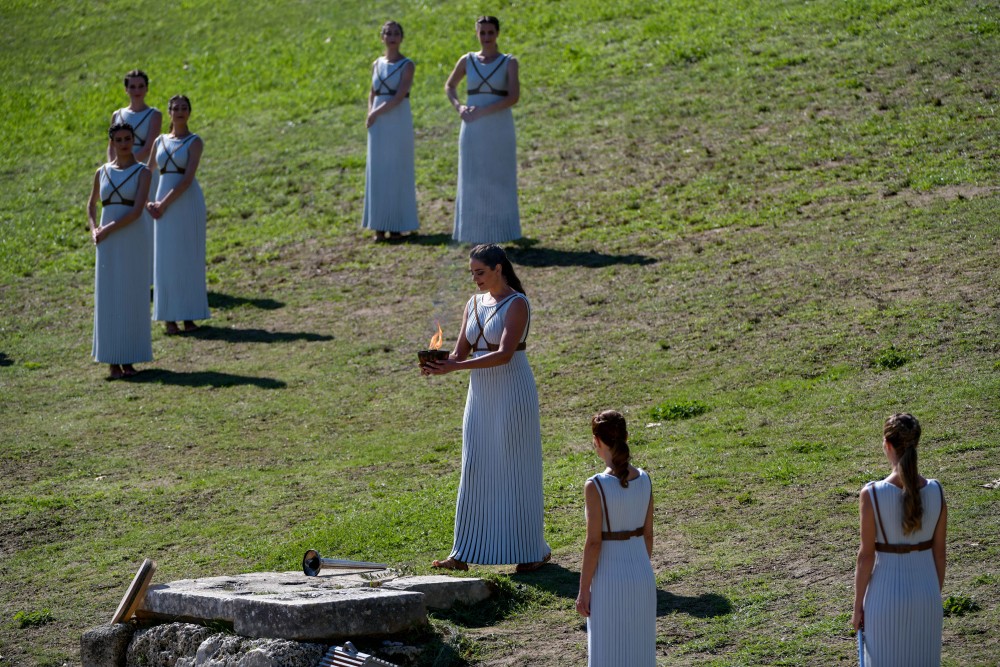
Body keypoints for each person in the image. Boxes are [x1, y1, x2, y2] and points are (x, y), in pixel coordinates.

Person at [421, 244, 549, 571]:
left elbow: (506, 353)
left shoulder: (517, 303)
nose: (475, 279)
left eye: (480, 272)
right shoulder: (473, 304)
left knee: (515, 469)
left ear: (498, 268)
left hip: (512, 393)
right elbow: (461, 353)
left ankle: (531, 551)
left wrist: (455, 368)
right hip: (480, 396)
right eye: (472, 273)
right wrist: (438, 362)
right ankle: (463, 552)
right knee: (475, 465)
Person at [852, 413, 947, 666]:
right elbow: (939, 554)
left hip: (885, 598)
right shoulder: (936, 491)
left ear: (887, 444)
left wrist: (857, 606)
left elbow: (866, 557)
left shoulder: (871, 494)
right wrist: (929, 596)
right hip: (927, 594)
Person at [575, 410, 656, 667]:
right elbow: (648, 535)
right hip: (642, 574)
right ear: (626, 437)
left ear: (597, 441)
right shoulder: (645, 479)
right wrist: (639, 566)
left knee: (608, 652)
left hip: (609, 580)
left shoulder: (596, 485)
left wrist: (583, 590)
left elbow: (594, 543)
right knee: (639, 651)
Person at [445, 16, 521, 244]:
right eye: (482, 33)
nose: (486, 37)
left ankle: (502, 232)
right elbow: (450, 85)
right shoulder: (467, 60)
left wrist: (484, 111)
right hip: (472, 129)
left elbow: (513, 97)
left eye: (490, 32)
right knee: (473, 176)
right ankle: (474, 233)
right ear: (477, 34)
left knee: (499, 176)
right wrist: (459, 107)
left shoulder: (509, 62)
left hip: (499, 127)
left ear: (497, 34)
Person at [88, 122, 153, 379]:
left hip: (131, 237)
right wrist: (95, 229)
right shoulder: (101, 172)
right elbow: (92, 204)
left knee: (132, 294)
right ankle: (112, 361)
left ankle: (129, 360)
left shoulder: (143, 172)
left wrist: (107, 229)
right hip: (107, 242)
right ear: (112, 143)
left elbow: (137, 212)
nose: (124, 143)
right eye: (119, 140)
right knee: (109, 295)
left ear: (133, 141)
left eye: (128, 139)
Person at [147, 95, 210, 335]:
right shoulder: (159, 141)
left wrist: (162, 203)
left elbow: (187, 179)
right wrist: (147, 202)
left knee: (189, 257)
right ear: (170, 112)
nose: (180, 112)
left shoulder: (195, 142)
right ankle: (169, 318)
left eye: (184, 108)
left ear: (190, 112)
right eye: (176, 108)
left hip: (187, 203)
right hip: (163, 205)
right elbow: (147, 172)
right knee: (166, 259)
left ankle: (189, 316)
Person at [362, 20, 419, 242]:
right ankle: (379, 225)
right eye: (388, 33)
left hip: (397, 119)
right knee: (378, 171)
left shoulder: (407, 65)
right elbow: (372, 92)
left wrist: (376, 113)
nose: (392, 37)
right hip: (378, 123)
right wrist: (371, 111)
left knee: (397, 169)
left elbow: (399, 96)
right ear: (382, 37)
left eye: (396, 33)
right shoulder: (377, 63)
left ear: (401, 38)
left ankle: (396, 226)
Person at [109, 69, 161, 285]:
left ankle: (151, 277)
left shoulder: (154, 115)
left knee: (148, 224)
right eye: (133, 86)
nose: (137, 91)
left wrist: (130, 165)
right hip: (121, 174)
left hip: (144, 172)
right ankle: (129, 274)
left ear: (147, 88)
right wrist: (114, 168)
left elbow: (150, 146)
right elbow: (111, 147)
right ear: (126, 89)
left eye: (141, 86)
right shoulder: (117, 115)